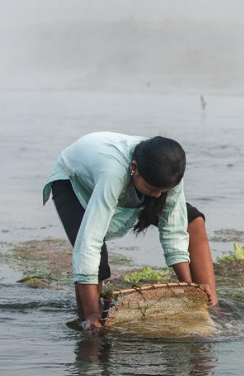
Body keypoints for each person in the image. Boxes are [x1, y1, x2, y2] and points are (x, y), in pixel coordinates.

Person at [43, 132, 218, 330]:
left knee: (192, 221)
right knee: (96, 262)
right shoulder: (113, 173)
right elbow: (89, 241)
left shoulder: (169, 172)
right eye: (153, 189)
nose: (158, 195)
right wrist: (92, 315)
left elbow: (174, 230)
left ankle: (212, 308)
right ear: (134, 168)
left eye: (164, 190)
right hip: (74, 181)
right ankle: (88, 318)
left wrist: (189, 290)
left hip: (134, 177)